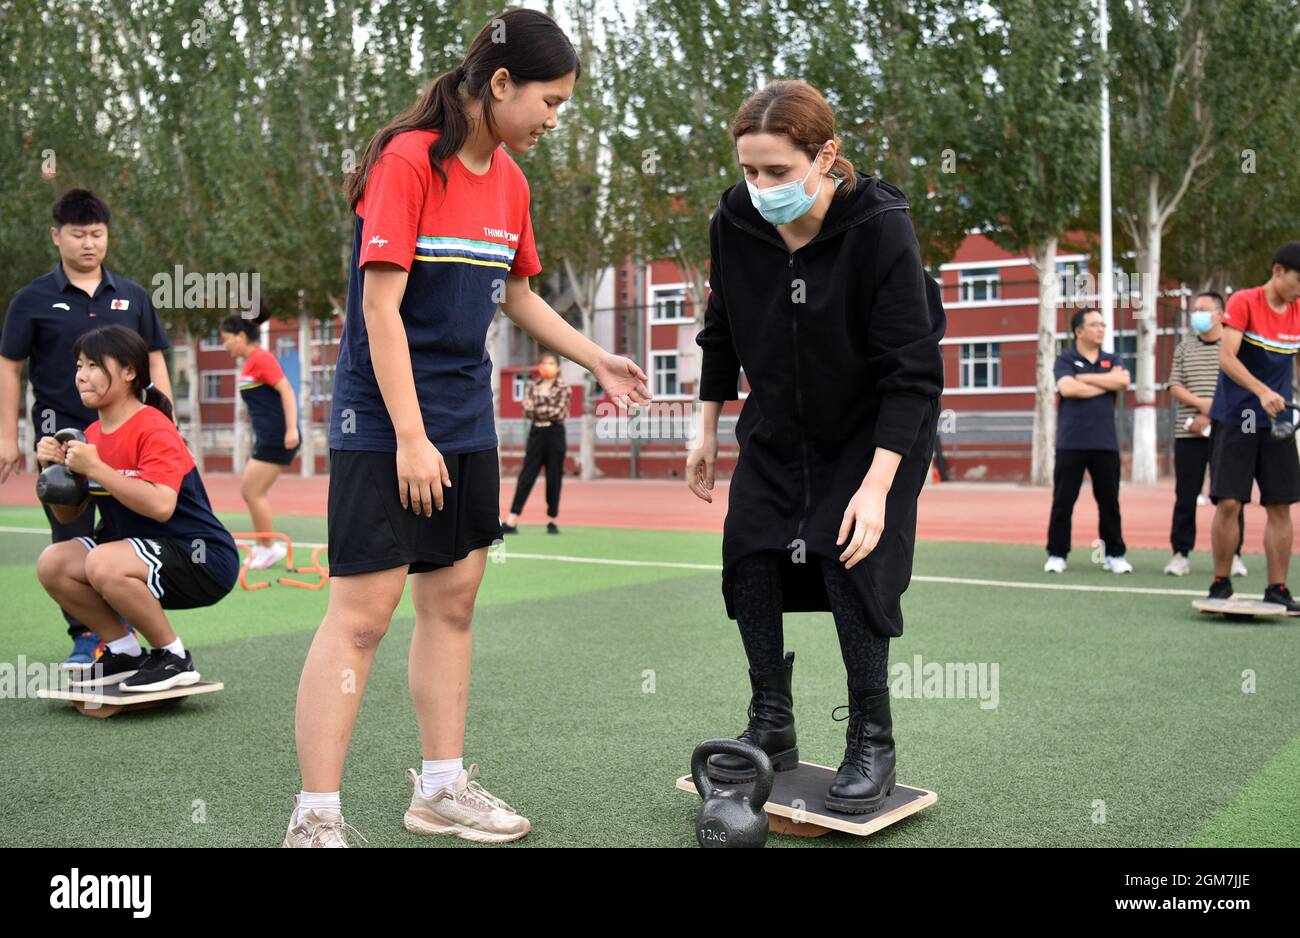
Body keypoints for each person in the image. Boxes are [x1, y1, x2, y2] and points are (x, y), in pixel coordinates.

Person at [284, 8, 651, 848]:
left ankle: (440, 789)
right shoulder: (407, 160)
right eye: (550, 101)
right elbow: (379, 309)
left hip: (465, 418)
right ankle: (315, 815)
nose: (554, 118)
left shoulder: (512, 182)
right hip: (384, 419)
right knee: (362, 617)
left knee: (452, 603)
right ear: (501, 83)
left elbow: (516, 293)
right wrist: (411, 437)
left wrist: (597, 357)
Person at [686, 80, 944, 815]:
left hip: (875, 429)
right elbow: (720, 328)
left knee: (849, 557)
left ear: (825, 156)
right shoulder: (735, 221)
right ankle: (772, 721)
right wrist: (705, 427)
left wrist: (877, 485)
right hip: (779, 425)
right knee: (750, 550)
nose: (760, 186)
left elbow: (912, 370)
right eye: (748, 169)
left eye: (777, 170)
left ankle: (873, 738)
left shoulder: (880, 226)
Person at [0, 188, 174, 668]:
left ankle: (131, 633)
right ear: (57, 237)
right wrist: (7, 437)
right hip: (62, 443)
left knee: (129, 531)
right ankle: (87, 636)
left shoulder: (133, 297)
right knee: (69, 537)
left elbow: (154, 359)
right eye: (78, 235)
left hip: (128, 440)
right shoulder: (31, 300)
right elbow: (9, 367)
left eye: (97, 234)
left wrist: (166, 422)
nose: (89, 243)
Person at [35, 326, 238, 691]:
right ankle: (124, 651)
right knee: (54, 563)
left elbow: (161, 506)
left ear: (129, 371)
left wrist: (97, 469)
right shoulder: (90, 437)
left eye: (94, 365)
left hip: (201, 558)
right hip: (132, 557)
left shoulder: (154, 428)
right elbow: (69, 516)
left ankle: (173, 656)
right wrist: (53, 472)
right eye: (79, 365)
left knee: (102, 561)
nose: (81, 375)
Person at [1206, 242, 1300, 609]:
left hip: (1279, 421)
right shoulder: (1245, 301)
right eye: (1298, 281)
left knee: (1280, 504)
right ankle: (1221, 582)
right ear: (1278, 271)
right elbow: (1226, 358)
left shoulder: (1298, 311)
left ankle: (1278, 588)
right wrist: (1261, 391)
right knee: (1230, 501)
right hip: (1240, 416)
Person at [1044, 309, 1133, 574]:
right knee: (1063, 501)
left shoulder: (1112, 359)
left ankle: (1114, 554)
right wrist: (1106, 383)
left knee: (1109, 503)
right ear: (1079, 331)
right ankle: (1057, 554)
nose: (1101, 329)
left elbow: (1124, 380)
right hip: (1071, 442)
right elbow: (1068, 388)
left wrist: (1084, 378)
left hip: (1105, 443)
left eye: (1103, 325)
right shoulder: (1065, 358)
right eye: (1094, 325)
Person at [1164, 291, 1246, 576]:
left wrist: (1212, 414)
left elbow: (1241, 384)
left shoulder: (1235, 346)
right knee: (1185, 495)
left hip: (1228, 432)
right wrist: (1201, 405)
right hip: (1189, 433)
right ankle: (1180, 554)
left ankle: (1234, 555)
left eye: (1203, 309)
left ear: (1219, 314)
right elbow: (1174, 385)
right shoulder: (1184, 347)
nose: (1197, 314)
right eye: (1195, 309)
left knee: (1230, 496)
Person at [218, 306, 301, 569]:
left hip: (277, 436)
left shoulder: (261, 358)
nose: (224, 346)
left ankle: (268, 548)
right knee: (252, 491)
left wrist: (291, 429)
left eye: (226, 339)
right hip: (266, 435)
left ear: (240, 336)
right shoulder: (250, 362)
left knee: (252, 491)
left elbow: (287, 390)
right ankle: (264, 545)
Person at [502, 351, 569, 534]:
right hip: (536, 433)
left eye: (551, 363)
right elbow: (527, 409)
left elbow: (558, 413)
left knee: (554, 476)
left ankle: (552, 520)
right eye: (544, 363)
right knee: (526, 475)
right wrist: (543, 409)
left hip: (555, 434)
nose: (547, 367)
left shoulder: (563, 388)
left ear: (558, 367)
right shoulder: (532, 386)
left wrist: (538, 409)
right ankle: (512, 520)